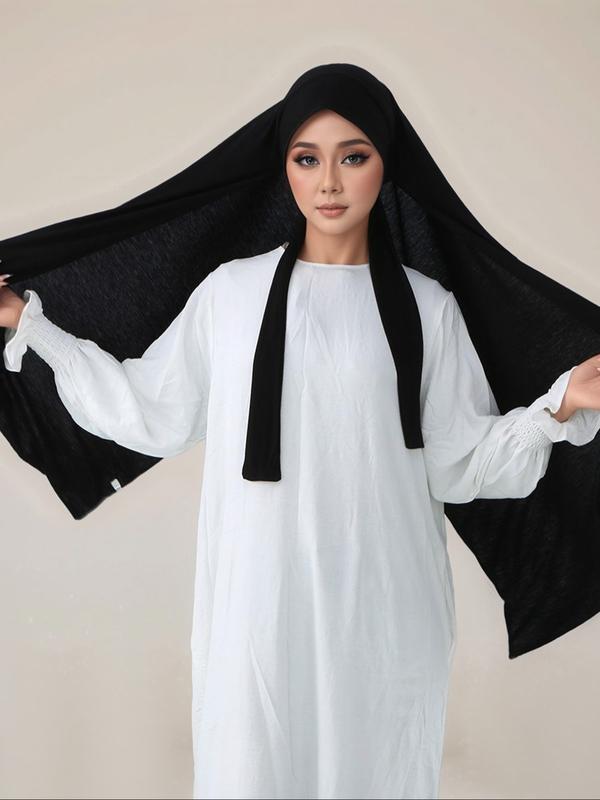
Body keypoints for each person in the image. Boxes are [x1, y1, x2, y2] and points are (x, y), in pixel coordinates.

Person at [2, 64, 600, 799]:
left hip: (386, 618)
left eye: (354, 156)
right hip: (257, 614)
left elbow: (460, 465)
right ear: (284, 168)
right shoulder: (232, 295)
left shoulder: (426, 309)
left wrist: (555, 409)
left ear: (386, 163)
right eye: (308, 159)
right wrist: (34, 327)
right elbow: (148, 413)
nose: (330, 182)